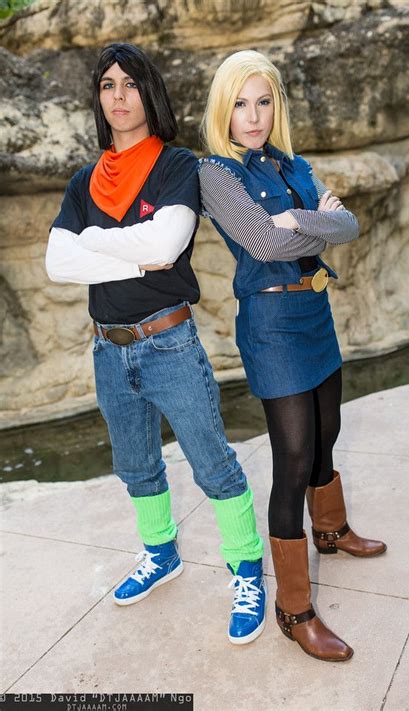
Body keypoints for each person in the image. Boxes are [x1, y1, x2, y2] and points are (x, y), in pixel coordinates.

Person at [45, 43, 266, 646]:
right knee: (135, 466)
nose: (119, 97)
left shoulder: (177, 166)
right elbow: (56, 262)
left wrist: (92, 242)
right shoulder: (83, 180)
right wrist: (127, 250)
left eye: (131, 84)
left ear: (150, 93)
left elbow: (165, 247)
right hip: (107, 348)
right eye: (108, 85)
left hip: (167, 342)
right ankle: (161, 553)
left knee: (213, 463)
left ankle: (246, 569)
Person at [199, 50, 386, 662]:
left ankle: (330, 530)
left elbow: (350, 224)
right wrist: (314, 224)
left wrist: (299, 218)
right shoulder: (216, 174)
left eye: (263, 101)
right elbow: (264, 240)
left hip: (315, 310)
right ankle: (293, 608)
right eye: (240, 104)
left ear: (275, 104)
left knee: (328, 431)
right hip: (271, 321)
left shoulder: (295, 164)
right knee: (294, 455)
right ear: (223, 113)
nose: (252, 116)